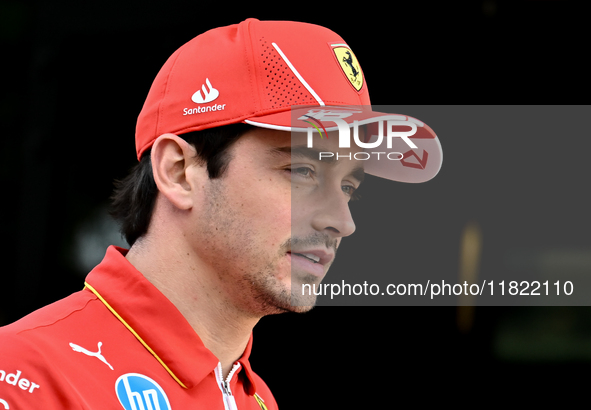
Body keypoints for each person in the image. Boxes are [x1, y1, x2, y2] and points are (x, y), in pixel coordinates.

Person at [0, 18, 441, 409]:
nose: (342, 222)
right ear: (178, 172)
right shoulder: (26, 378)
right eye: (303, 170)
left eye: (348, 186)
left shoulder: (258, 399)